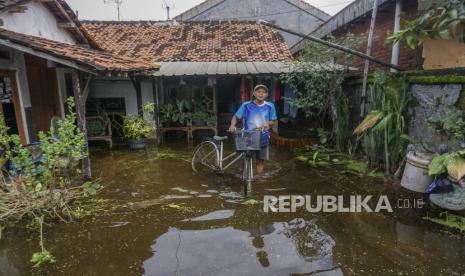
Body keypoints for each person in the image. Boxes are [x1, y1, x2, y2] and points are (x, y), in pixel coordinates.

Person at [228, 84, 277, 175]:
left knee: (260, 161)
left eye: (263, 92)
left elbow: (273, 121)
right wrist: (232, 125)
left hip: (263, 137)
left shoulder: (270, 106)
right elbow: (236, 116)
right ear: (254, 93)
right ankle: (244, 176)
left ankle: (259, 181)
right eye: (259, 92)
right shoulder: (246, 105)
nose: (261, 94)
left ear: (266, 95)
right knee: (245, 159)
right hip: (247, 136)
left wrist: (268, 123)